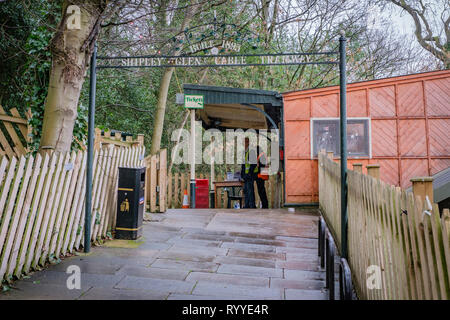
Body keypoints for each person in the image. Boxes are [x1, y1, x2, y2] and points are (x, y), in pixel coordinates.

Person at [241, 137, 257, 208]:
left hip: (250, 175)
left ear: (248, 143)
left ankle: (252, 206)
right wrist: (242, 174)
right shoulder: (245, 152)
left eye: (245, 142)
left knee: (250, 191)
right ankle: (247, 206)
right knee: (246, 191)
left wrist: (249, 174)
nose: (244, 144)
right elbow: (243, 165)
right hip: (246, 176)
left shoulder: (251, 151)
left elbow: (253, 164)